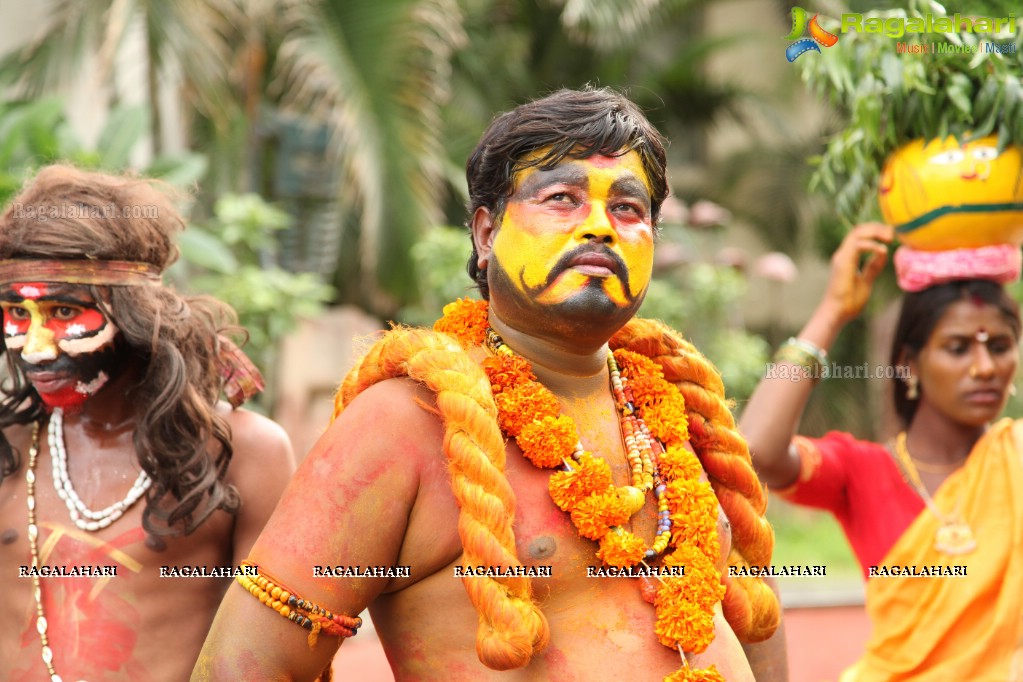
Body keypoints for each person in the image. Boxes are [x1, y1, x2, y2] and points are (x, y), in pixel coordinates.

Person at [194, 87, 784, 681]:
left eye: (629, 209)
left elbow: (754, 624)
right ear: (485, 233)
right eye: (562, 199)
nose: (601, 227)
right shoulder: (406, 419)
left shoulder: (678, 407)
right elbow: (244, 667)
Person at [0, 165, 295, 681]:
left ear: (137, 309)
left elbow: (270, 655)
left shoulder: (245, 454)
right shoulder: (8, 447)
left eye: (65, 311)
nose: (35, 345)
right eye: (17, 315)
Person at [741, 222, 1023, 679]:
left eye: (1001, 346)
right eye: (957, 348)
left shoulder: (1016, 457)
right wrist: (832, 312)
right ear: (910, 364)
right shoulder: (862, 470)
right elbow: (757, 451)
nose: (985, 367)